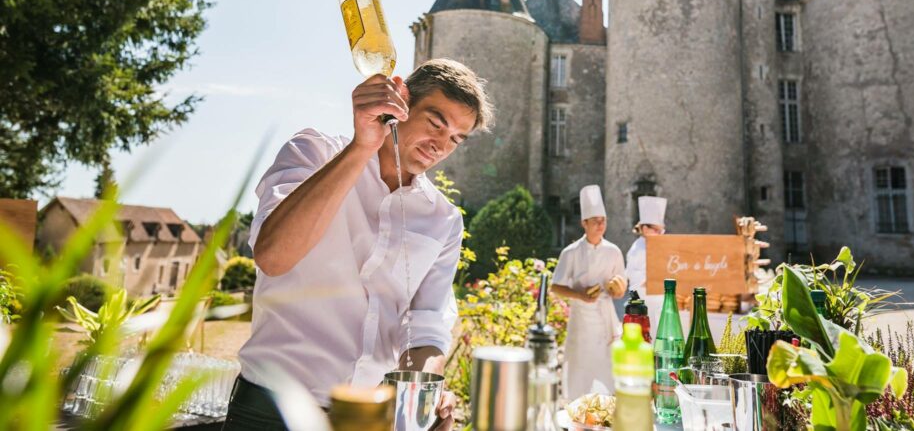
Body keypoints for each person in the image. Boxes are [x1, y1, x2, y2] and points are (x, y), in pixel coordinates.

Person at [223, 59, 494, 430]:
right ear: (402, 101)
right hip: (271, 410)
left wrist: (422, 394)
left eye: (455, 139)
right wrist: (362, 147)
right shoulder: (312, 153)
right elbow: (272, 256)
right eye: (436, 124)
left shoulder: (444, 220)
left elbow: (427, 324)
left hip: (368, 419)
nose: (440, 147)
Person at [550, 185, 627, 400]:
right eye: (595, 220)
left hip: (605, 318)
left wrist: (616, 289)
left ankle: (607, 409)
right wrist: (581, 295)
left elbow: (621, 290)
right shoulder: (571, 252)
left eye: (603, 220)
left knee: (607, 365)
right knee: (579, 365)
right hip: (581, 318)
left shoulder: (614, 251)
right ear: (584, 223)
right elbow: (556, 286)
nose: (601, 224)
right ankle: (575, 408)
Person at [624, 196, 667, 333]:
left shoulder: (660, 246)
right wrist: (650, 279)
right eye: (657, 230)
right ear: (645, 228)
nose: (661, 234)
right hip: (643, 301)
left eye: (662, 230)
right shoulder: (637, 248)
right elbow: (631, 275)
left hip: (659, 299)